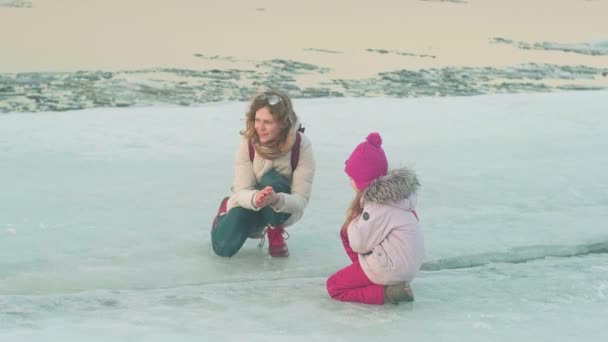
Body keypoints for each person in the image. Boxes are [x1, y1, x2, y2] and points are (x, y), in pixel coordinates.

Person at [211, 90, 315, 258]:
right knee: (224, 248)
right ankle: (224, 213)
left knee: (271, 180)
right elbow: (242, 189)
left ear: (283, 123)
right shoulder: (248, 142)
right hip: (251, 201)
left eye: (268, 122)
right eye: (257, 120)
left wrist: (276, 199)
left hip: (282, 207)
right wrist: (256, 198)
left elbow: (301, 200)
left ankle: (275, 231)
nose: (260, 127)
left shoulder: (301, 145)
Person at [326, 132, 425, 305]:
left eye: (352, 178)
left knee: (334, 286)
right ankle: (368, 273)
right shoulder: (399, 198)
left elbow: (358, 243)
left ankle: (388, 293)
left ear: (363, 181)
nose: (350, 182)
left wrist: (354, 220)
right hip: (408, 265)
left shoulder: (377, 206)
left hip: (391, 267)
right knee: (346, 233)